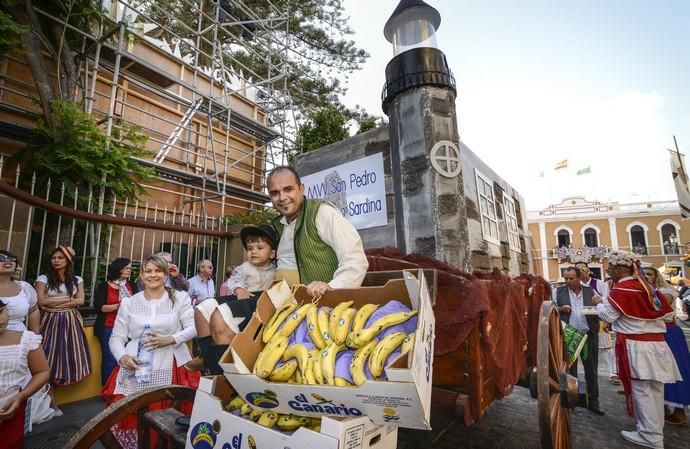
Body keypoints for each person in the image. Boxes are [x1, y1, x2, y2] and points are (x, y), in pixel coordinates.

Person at [102, 254, 199, 449]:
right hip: (135, 366)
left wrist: (170, 339)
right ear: (142, 274)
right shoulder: (130, 302)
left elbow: (194, 327)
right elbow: (117, 338)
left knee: (170, 416)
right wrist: (122, 356)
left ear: (165, 274)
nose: (153, 275)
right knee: (132, 414)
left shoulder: (180, 298)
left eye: (158, 271)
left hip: (171, 364)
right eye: (148, 271)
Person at [593, 251, 681, 449]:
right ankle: (655, 433)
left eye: (610, 268)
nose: (608, 271)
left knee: (642, 391)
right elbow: (667, 317)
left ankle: (650, 435)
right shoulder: (648, 288)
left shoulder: (623, 288)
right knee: (656, 391)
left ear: (620, 268)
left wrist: (599, 304)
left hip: (637, 346)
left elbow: (608, 316)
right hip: (657, 344)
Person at [267, 165, 368, 297]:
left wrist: (332, 286)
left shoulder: (321, 212)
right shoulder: (279, 225)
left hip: (324, 305)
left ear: (301, 189)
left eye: (288, 189)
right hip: (288, 305)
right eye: (275, 193)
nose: (282, 197)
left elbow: (355, 260)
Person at [196, 225, 278, 375]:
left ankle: (221, 373)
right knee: (203, 308)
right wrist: (239, 290)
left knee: (223, 314)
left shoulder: (277, 269)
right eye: (250, 248)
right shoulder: (244, 267)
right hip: (245, 297)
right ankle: (207, 357)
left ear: (272, 253)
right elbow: (234, 281)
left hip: (261, 303)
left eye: (260, 248)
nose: (254, 251)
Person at [35, 246, 92, 390]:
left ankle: (61, 380)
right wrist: (68, 299)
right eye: (54, 258)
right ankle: (44, 390)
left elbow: (80, 301)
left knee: (67, 353)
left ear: (68, 261)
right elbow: (41, 301)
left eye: (60, 258)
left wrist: (53, 302)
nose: (56, 260)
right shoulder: (43, 278)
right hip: (49, 321)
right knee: (47, 352)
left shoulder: (76, 280)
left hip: (70, 321)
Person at [642, 265, 690, 426]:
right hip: (651, 334)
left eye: (649, 274)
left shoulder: (665, 291)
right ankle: (660, 408)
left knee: (676, 371)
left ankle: (679, 411)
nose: (647, 276)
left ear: (656, 277)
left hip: (669, 334)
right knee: (654, 373)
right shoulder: (643, 291)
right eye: (644, 274)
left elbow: (658, 307)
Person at [552, 266, 603, 415]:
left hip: (589, 335)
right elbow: (550, 310)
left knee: (591, 370)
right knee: (570, 370)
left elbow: (601, 310)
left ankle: (593, 401)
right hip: (569, 335)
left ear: (579, 278)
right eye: (566, 278)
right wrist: (560, 310)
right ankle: (571, 400)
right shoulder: (557, 292)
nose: (568, 281)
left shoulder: (590, 291)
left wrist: (598, 306)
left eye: (571, 278)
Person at [0, 299, 50, 447]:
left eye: (1, 312)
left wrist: (20, 397)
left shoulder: (26, 339)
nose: (1, 319)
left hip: (10, 410)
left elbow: (42, 372)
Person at [574, 261, 619, 385]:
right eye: (578, 269)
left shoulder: (599, 283)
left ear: (588, 270)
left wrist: (597, 301)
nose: (581, 271)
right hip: (581, 319)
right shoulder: (575, 285)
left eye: (583, 269)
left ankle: (613, 372)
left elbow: (607, 298)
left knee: (606, 346)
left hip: (597, 317)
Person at [93, 258, 137, 385]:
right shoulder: (104, 286)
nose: (130, 270)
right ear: (119, 269)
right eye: (127, 268)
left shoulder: (132, 285)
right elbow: (99, 307)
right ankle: (108, 389)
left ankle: (125, 389)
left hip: (129, 328)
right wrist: (120, 306)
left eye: (130, 268)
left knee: (129, 357)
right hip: (108, 327)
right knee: (110, 359)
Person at [0, 250, 39, 333]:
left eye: (12, 259)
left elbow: (33, 311)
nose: (8, 260)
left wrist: (35, 336)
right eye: (1, 258)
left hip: (20, 339)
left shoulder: (24, 287)